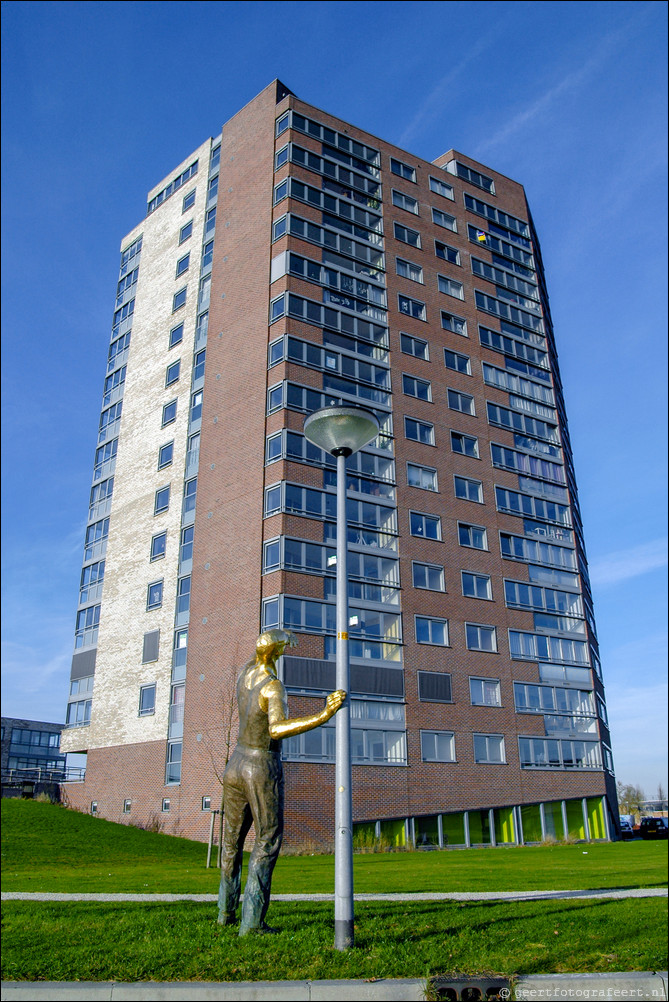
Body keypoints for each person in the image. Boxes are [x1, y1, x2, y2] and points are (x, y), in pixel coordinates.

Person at [217, 628, 345, 935]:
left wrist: (274, 640)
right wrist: (323, 714)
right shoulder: (273, 687)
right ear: (278, 654)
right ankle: (252, 923)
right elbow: (276, 729)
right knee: (268, 840)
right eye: (285, 647)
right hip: (261, 765)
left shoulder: (245, 673)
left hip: (234, 763)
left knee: (231, 843)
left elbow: (260, 651)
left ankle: (225, 913)